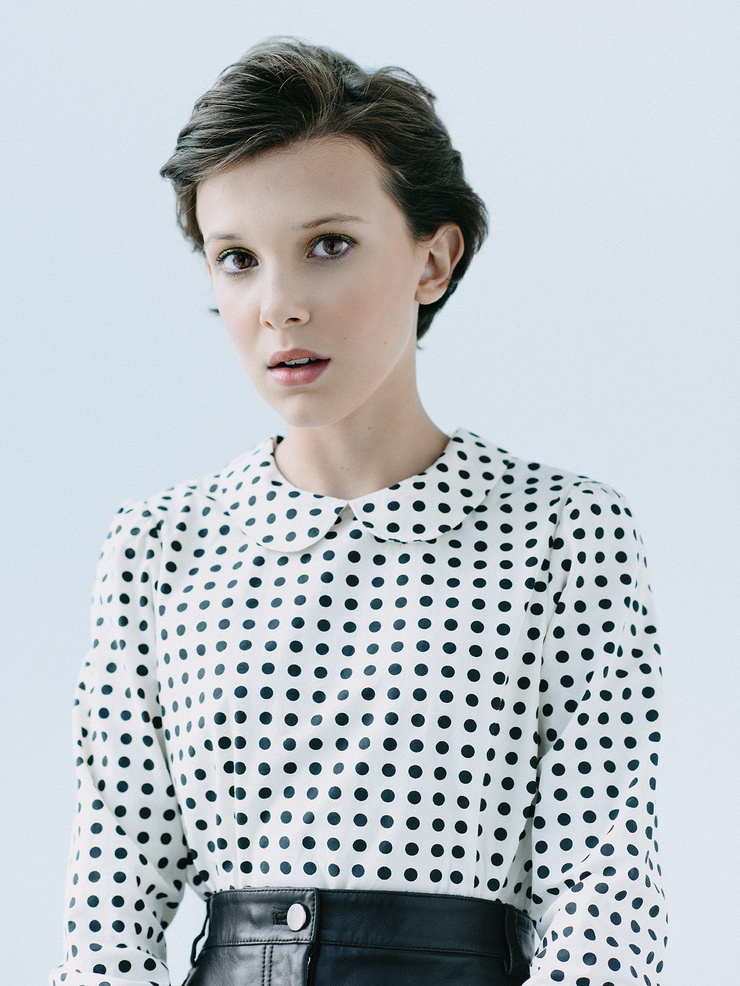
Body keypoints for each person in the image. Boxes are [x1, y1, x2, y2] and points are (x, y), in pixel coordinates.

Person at [50, 38, 667, 986]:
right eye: (237, 259)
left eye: (328, 246)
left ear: (434, 259)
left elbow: (606, 886)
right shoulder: (159, 548)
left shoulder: (566, 534)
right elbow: (109, 906)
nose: (279, 305)